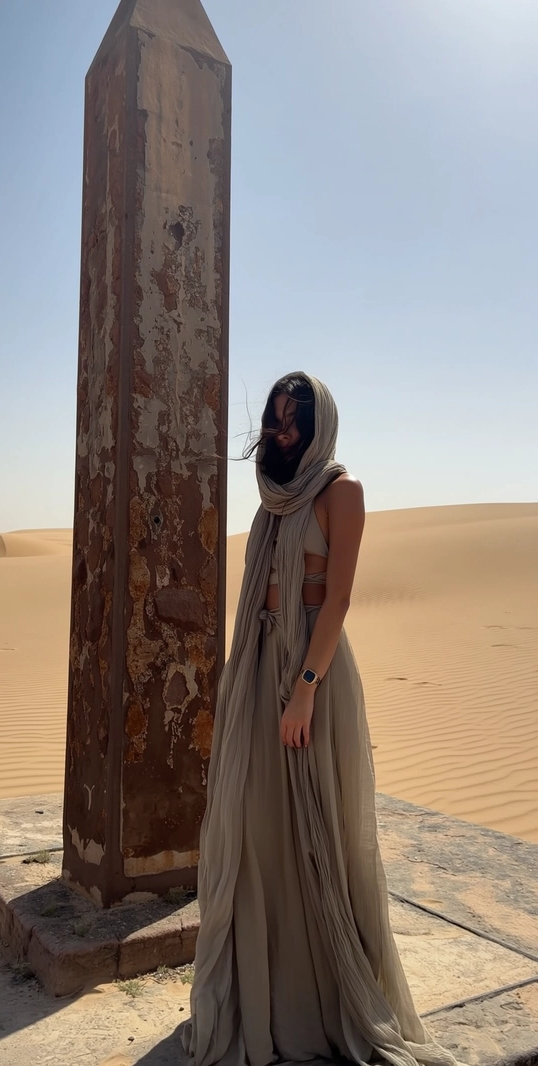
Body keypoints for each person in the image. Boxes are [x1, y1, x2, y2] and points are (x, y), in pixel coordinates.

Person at [183, 373, 462, 1066]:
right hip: (258, 668)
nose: (282, 432)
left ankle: (325, 998)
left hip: (313, 672)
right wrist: (254, 677)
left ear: (319, 427)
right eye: (276, 419)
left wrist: (305, 687)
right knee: (256, 828)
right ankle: (264, 992)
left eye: (294, 422)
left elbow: (336, 600)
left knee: (320, 834)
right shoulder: (273, 500)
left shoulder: (342, 492)